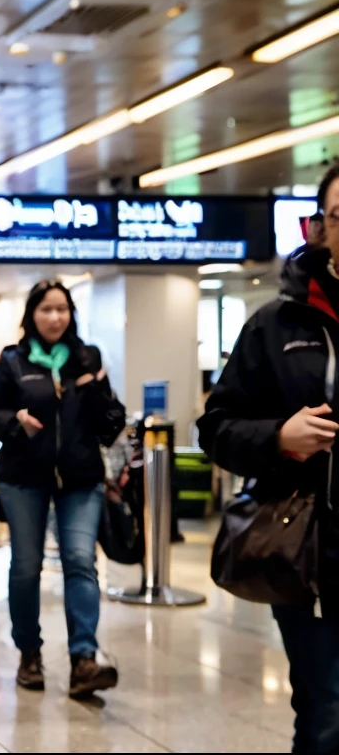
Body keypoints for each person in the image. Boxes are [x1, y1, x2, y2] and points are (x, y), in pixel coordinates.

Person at [200, 160, 339, 752]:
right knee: (326, 716)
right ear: (321, 229)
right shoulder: (275, 327)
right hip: (313, 554)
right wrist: (279, 436)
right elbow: (217, 428)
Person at [0, 279, 124, 698]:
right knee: (26, 566)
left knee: (80, 560)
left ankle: (84, 659)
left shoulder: (87, 357)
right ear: (32, 315)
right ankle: (29, 653)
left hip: (80, 477)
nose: (55, 317)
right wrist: (15, 424)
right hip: (23, 476)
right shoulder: (12, 361)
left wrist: (95, 388)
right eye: (47, 309)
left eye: (62, 309)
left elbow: (109, 421)